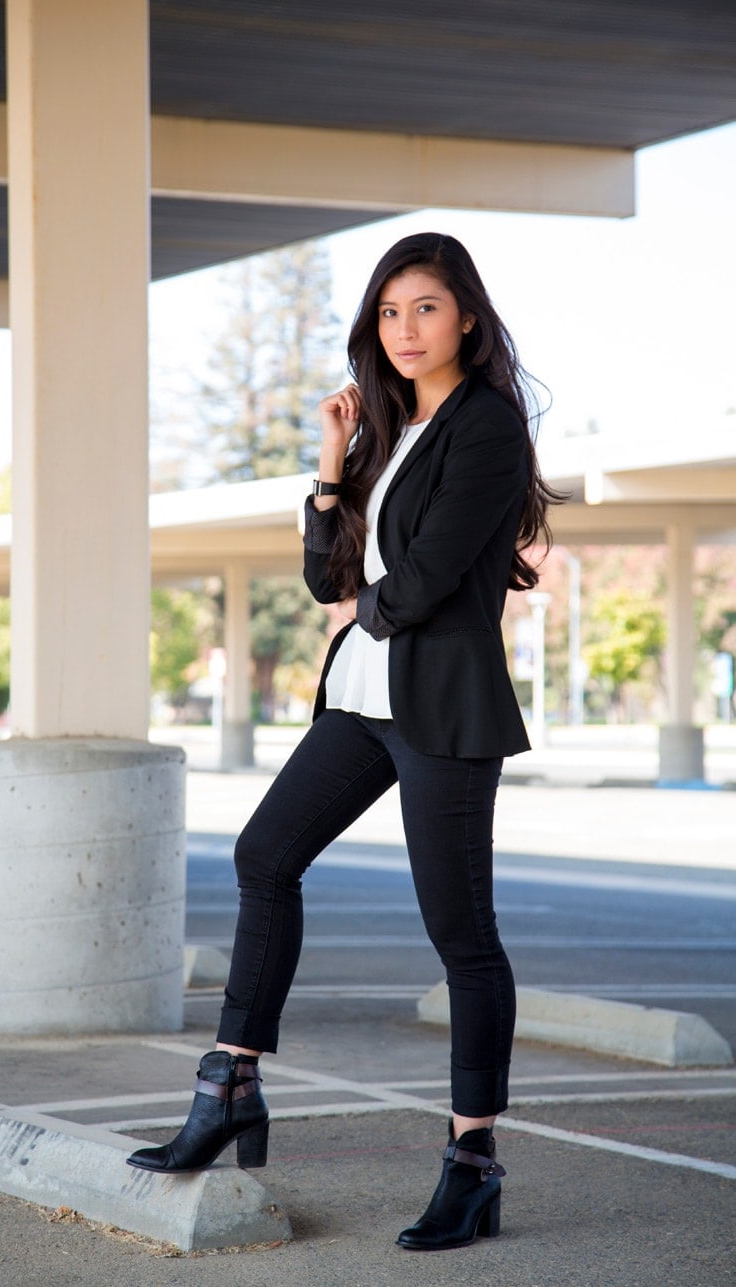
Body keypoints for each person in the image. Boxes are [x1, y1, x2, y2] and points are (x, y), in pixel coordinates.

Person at [127, 231, 559, 1252]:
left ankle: (472, 1164)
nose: (406, 329)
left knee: (462, 934)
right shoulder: (391, 428)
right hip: (361, 703)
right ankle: (230, 1085)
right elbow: (331, 579)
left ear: (466, 318)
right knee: (264, 855)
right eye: (390, 311)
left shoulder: (487, 426)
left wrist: (368, 603)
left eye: (427, 308)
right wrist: (330, 466)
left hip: (443, 709)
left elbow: (430, 577)